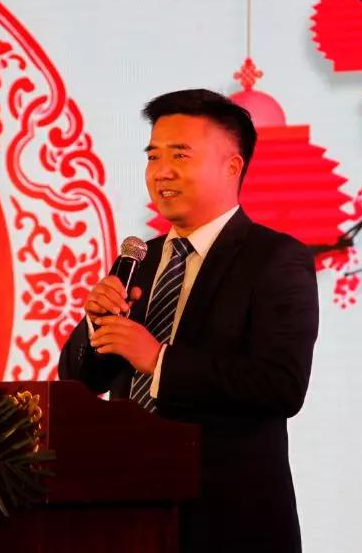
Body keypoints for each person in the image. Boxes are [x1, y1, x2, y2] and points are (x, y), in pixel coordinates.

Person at [58, 88, 319, 552]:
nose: (161, 171)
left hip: (228, 522)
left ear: (232, 167)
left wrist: (159, 361)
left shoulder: (275, 259)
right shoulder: (139, 261)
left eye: (180, 155)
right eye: (153, 156)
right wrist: (97, 326)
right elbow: (81, 380)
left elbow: (281, 384)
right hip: (128, 515)